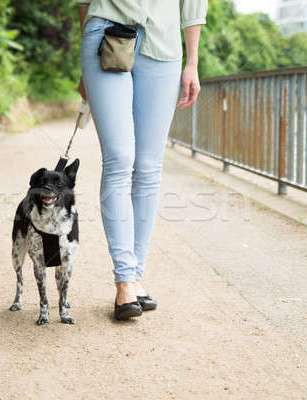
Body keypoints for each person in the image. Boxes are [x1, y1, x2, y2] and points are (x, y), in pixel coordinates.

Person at [76, 0, 207, 320]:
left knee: (148, 167)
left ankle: (135, 275)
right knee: (120, 159)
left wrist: (192, 63)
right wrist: (85, 69)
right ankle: (124, 281)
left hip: (164, 47)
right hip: (106, 32)